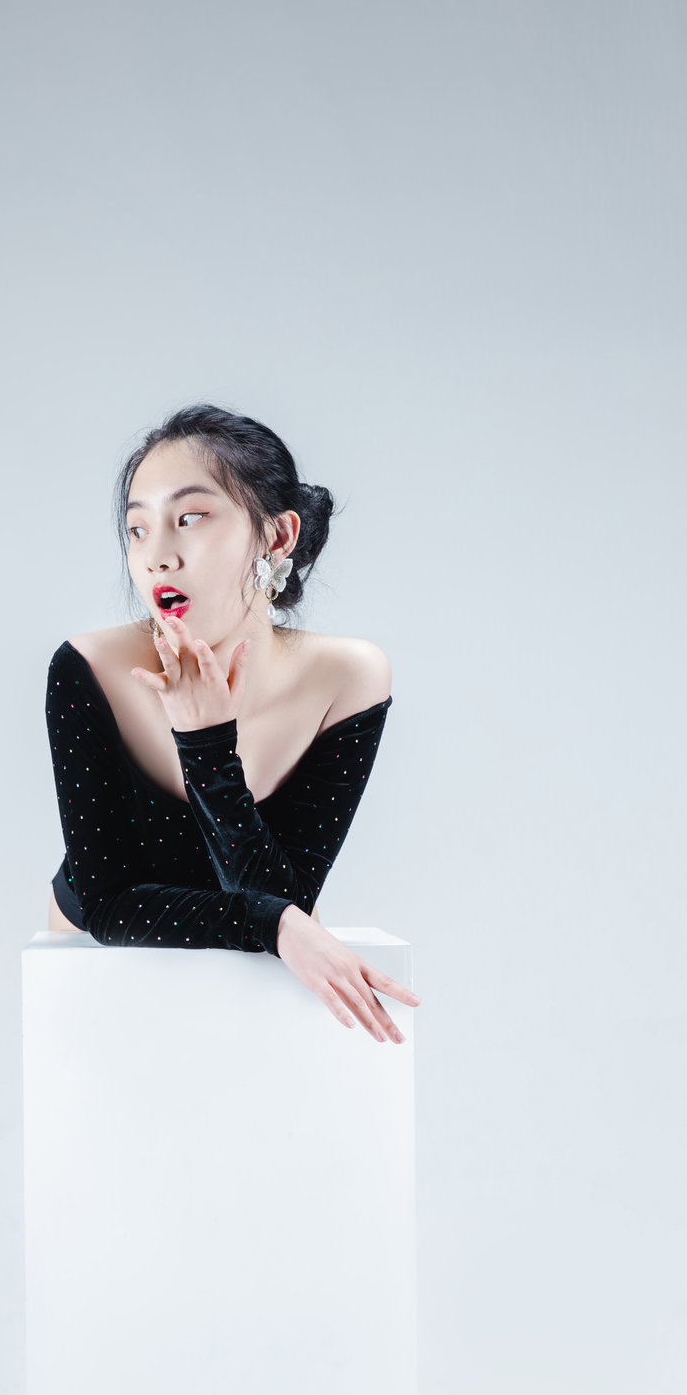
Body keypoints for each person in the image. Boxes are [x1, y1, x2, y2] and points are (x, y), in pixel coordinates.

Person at [44, 403, 420, 1044]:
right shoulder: (90, 668)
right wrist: (276, 923)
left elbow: (283, 893)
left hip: (261, 973)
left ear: (276, 537)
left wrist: (206, 746)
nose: (157, 557)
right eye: (138, 529)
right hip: (104, 971)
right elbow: (108, 905)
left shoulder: (347, 679)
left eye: (190, 518)